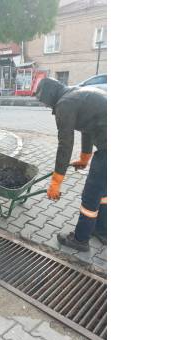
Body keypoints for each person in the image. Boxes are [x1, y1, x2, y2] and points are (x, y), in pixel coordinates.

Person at [35, 78, 107, 252]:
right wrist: (84, 158)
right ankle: (102, 230)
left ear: (50, 95)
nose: (45, 106)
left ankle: (80, 240)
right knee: (103, 191)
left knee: (90, 195)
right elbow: (88, 128)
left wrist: (56, 181)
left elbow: (65, 144)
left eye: (44, 102)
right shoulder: (78, 95)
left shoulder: (65, 104)